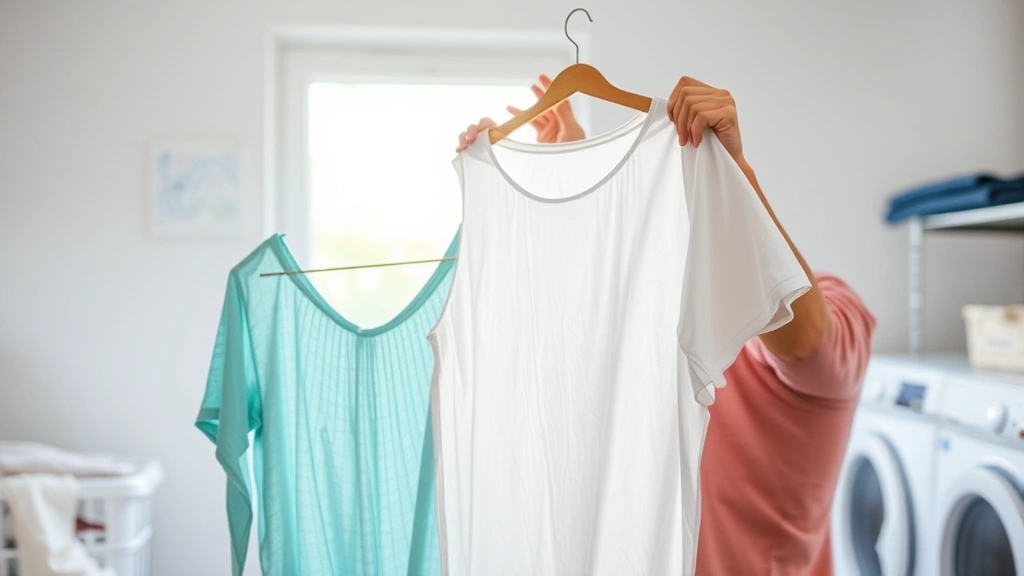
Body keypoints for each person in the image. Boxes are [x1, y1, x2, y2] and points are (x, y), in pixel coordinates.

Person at [456, 75, 876, 575]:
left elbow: (802, 336)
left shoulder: (833, 305)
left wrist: (735, 170)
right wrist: (543, 182)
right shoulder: (650, 301)